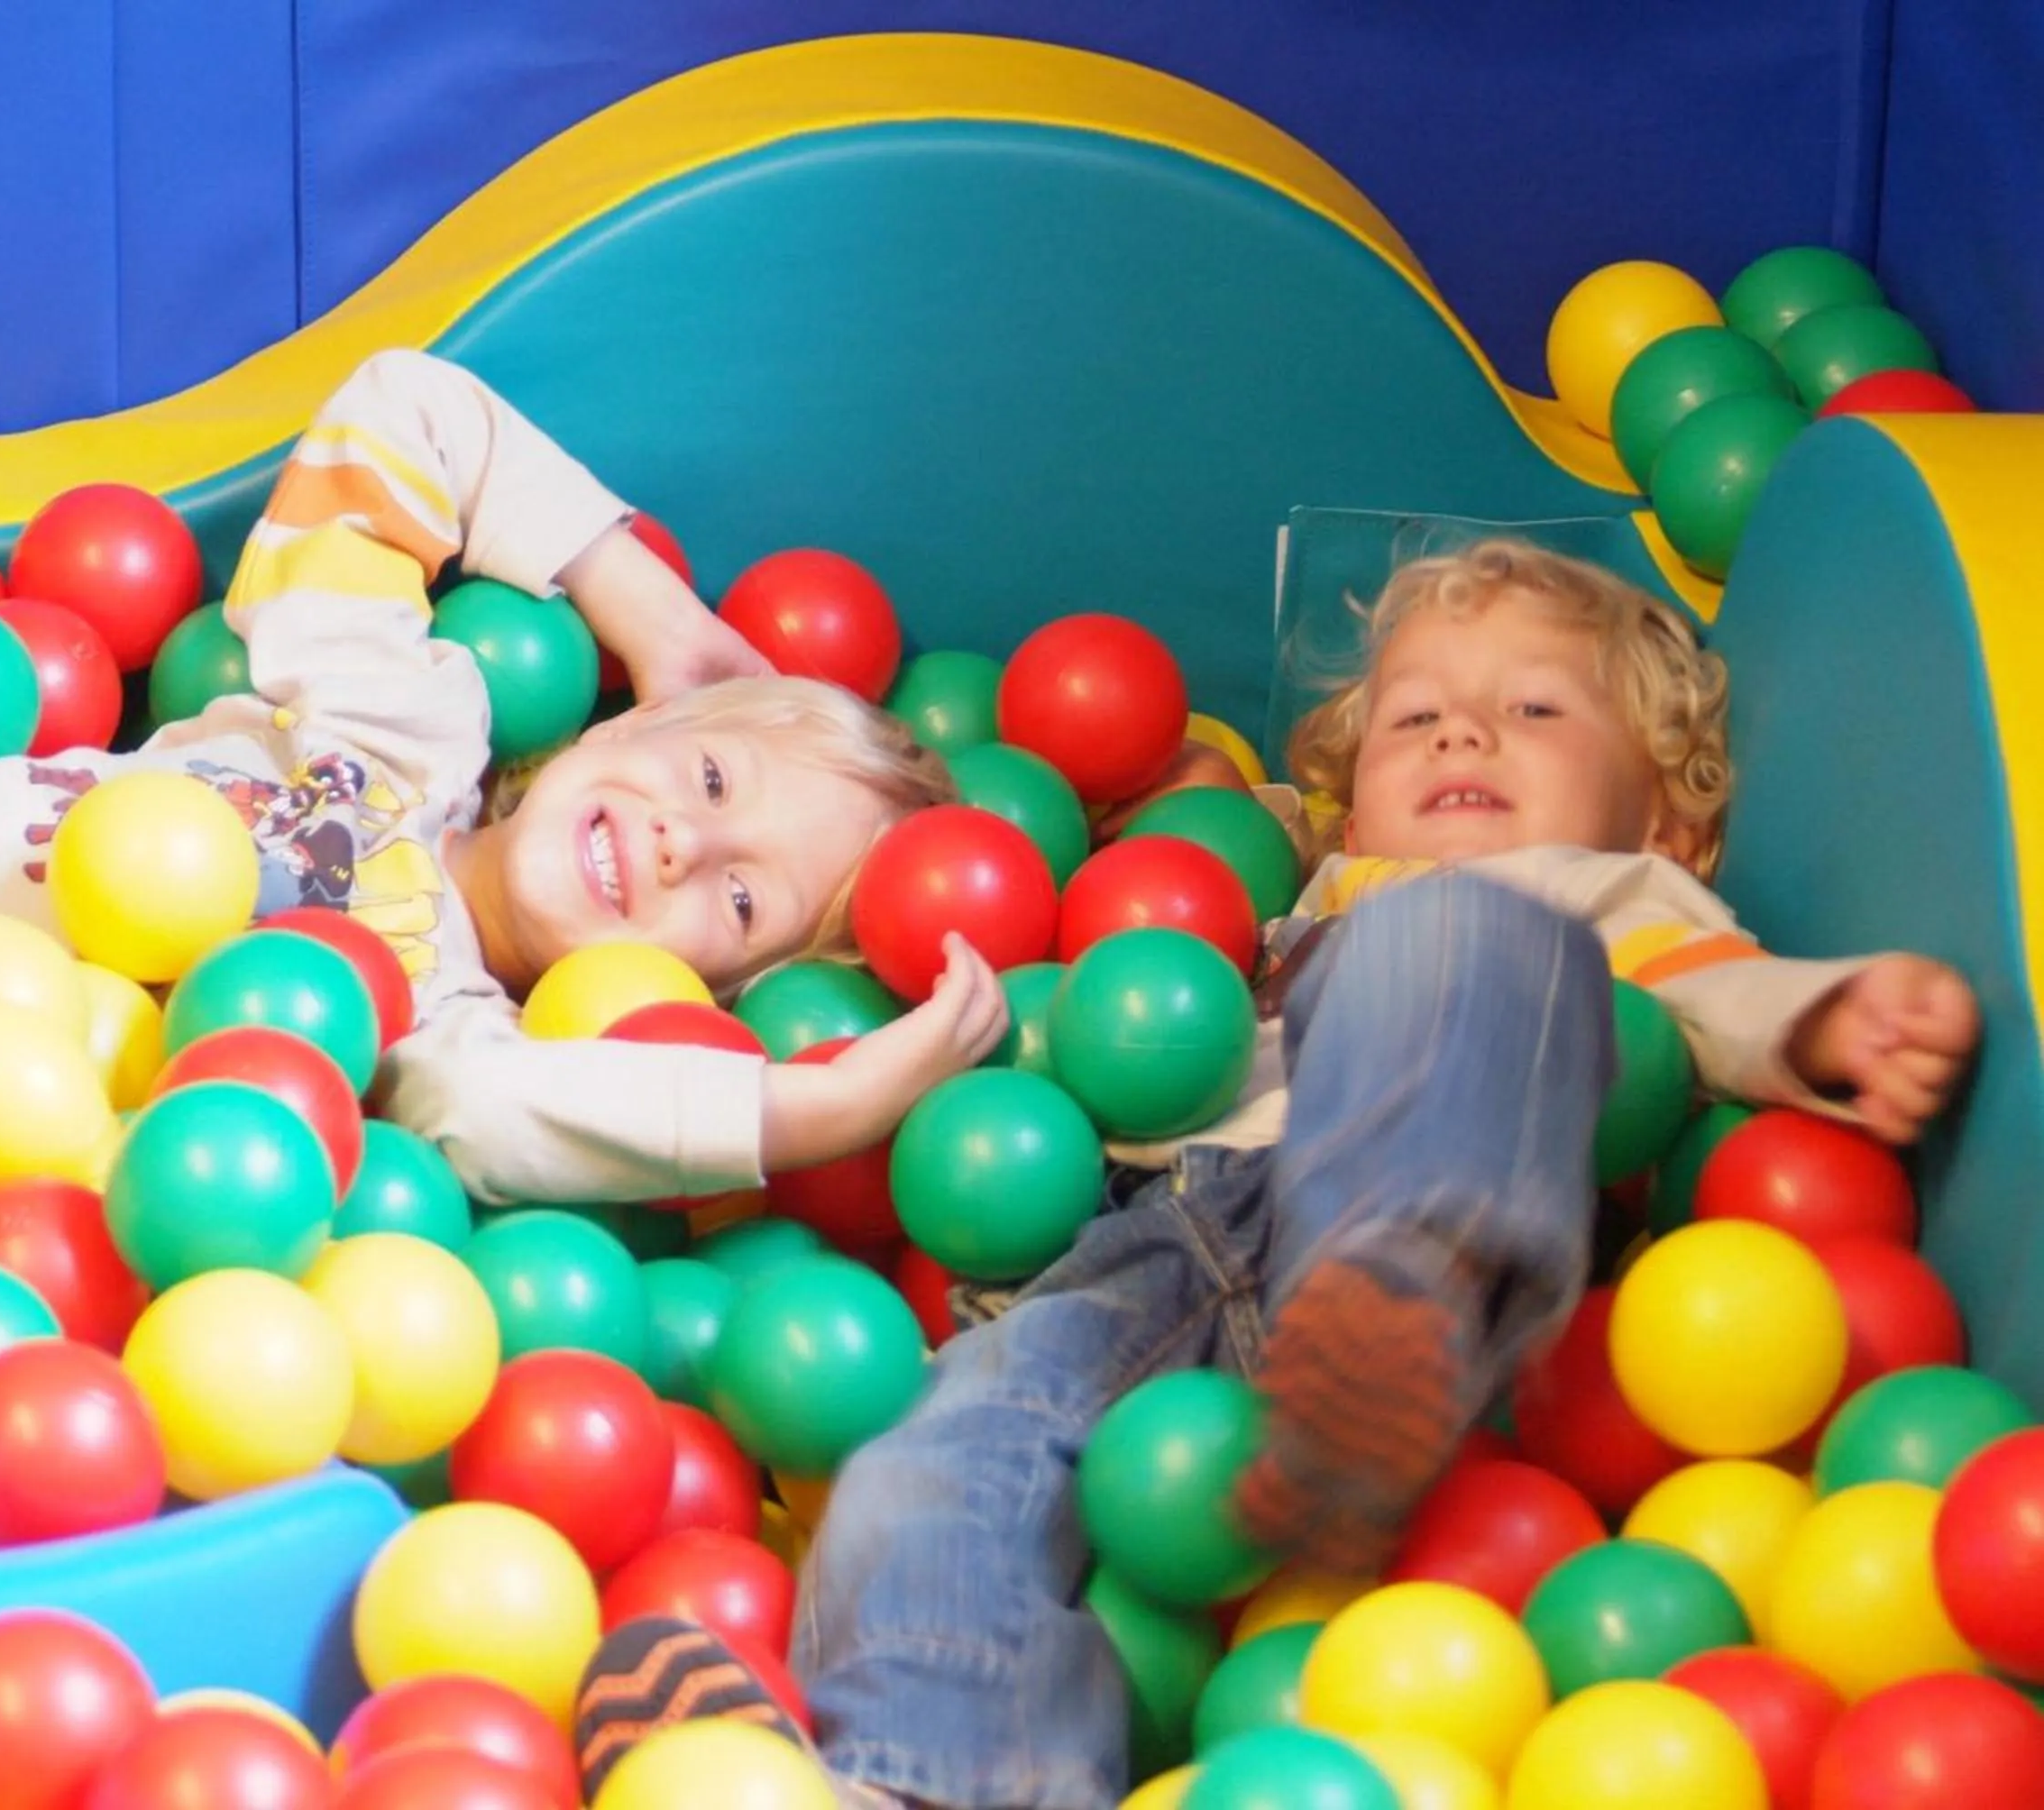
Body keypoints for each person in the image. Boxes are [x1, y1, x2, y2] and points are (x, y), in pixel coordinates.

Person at [572, 537, 1983, 1810]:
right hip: (1151, 1247)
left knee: (1457, 950)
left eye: (1535, 711)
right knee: (936, 1459)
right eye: (1414, 720)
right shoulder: (1288, 895)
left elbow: (1715, 996)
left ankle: (1396, 1294)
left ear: (1666, 824)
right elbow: (1177, 848)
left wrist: (1824, 1018)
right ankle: (929, 1776)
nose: (1463, 731)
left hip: (1427, 1238)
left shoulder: (1605, 895)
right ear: (1346, 811)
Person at [0, 348, 999, 1203]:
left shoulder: (445, 1028)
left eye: (742, 903)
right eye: (708, 780)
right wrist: (649, 608)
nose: (681, 849)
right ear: (616, 727)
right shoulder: (404, 723)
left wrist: (823, 1107)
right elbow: (406, 406)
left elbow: (504, 1114)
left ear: (701, 990)